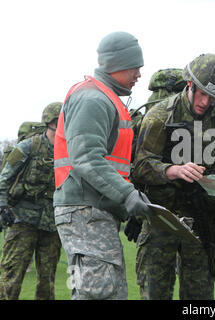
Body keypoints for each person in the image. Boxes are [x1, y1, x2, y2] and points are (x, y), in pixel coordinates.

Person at [131, 53, 215, 300]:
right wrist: (173, 170)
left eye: (213, 97)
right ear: (189, 85)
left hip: (202, 222)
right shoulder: (159, 116)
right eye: (202, 93)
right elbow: (139, 166)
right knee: (154, 293)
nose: (206, 102)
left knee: (200, 297)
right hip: (162, 220)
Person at [53, 31, 153, 300]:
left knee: (102, 293)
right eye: (135, 67)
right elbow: (86, 159)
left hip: (92, 212)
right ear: (117, 64)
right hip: (86, 213)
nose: (139, 75)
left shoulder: (103, 98)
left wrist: (124, 205)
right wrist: (128, 195)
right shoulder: (93, 99)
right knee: (98, 294)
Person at [125, 68, 186, 300]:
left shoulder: (142, 119)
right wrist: (135, 213)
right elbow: (132, 168)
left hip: (177, 217)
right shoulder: (143, 121)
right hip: (155, 218)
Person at [0, 102, 62, 300]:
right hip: (22, 221)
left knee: (47, 283)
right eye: (61, 121)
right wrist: (2, 207)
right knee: (11, 279)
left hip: (52, 225)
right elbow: (4, 179)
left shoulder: (69, 153)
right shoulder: (29, 146)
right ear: (51, 123)